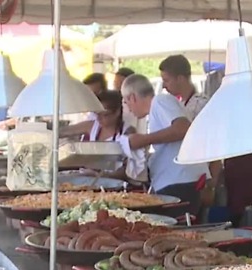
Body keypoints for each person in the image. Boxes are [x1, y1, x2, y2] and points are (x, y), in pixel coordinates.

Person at [121, 74, 209, 215]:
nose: (128, 108)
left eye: (126, 102)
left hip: (181, 182)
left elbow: (183, 128)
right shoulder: (157, 109)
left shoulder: (160, 100)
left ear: (132, 97)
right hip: (177, 181)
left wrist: (143, 140)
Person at [159, 55, 221, 213]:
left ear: (180, 78)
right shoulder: (178, 105)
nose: (164, 86)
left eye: (167, 80)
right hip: (179, 176)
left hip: (199, 178)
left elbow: (214, 144)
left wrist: (211, 183)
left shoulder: (202, 105)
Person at [60, 91, 135, 142]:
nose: (99, 118)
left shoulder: (128, 131)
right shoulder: (91, 126)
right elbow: (63, 132)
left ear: (117, 112)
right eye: (97, 114)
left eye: (105, 115)